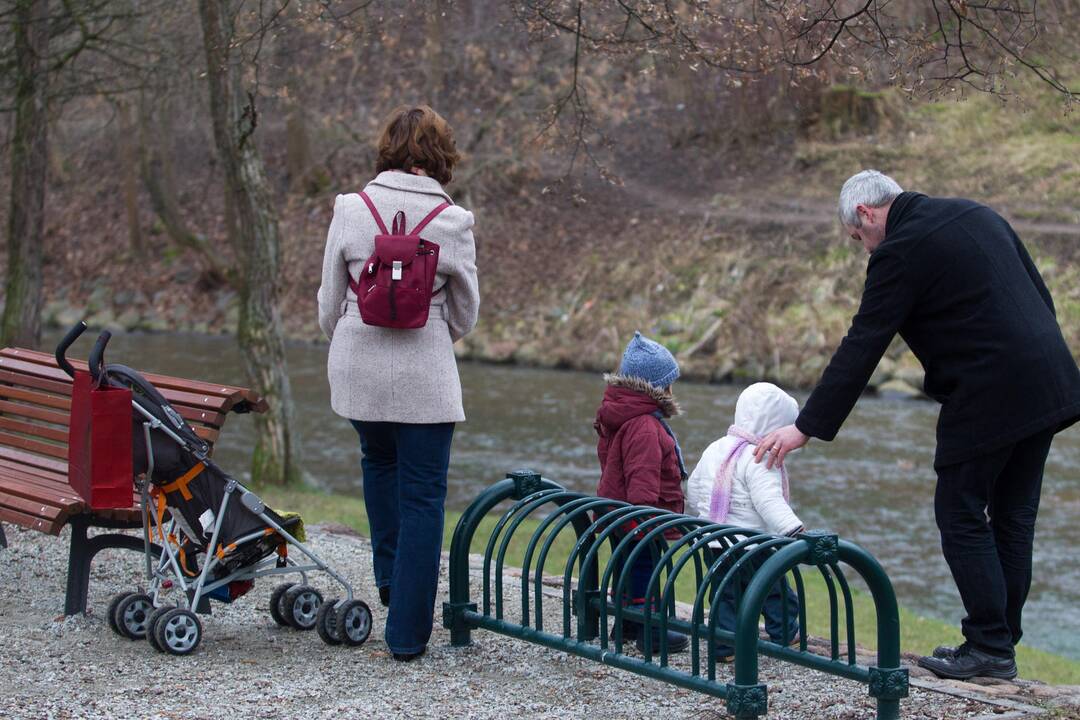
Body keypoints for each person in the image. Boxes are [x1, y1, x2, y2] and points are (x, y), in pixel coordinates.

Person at [753, 170, 1080, 680]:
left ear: (866, 215)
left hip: (988, 388)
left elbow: (864, 343)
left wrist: (805, 427)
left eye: (857, 238)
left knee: (960, 511)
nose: (863, 249)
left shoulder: (899, 250)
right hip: (1048, 379)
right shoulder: (975, 211)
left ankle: (990, 647)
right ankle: (997, 643)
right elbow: (1039, 295)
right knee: (1014, 516)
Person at [317, 105, 479, 662]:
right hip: (424, 374)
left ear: (387, 148)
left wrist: (350, 335)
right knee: (423, 497)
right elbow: (466, 313)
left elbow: (326, 300)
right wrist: (429, 329)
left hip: (355, 363)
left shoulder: (350, 209)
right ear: (440, 156)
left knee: (378, 463)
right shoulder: (454, 222)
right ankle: (407, 635)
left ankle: (389, 580)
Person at [685, 382, 804, 661]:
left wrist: (703, 514)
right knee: (775, 592)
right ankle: (787, 634)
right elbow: (769, 501)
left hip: (714, 540)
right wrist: (793, 529)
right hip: (752, 545)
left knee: (726, 594)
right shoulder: (760, 456)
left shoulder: (716, 447)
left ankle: (725, 646)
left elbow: (695, 485)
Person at [594, 332, 690, 653]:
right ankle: (651, 633)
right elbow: (643, 476)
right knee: (644, 569)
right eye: (669, 382)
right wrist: (644, 517)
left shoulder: (623, 415)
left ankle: (626, 625)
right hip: (638, 513)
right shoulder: (645, 426)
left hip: (616, 510)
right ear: (657, 387)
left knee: (625, 566)